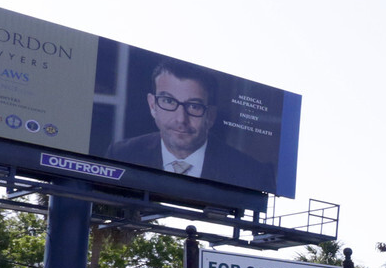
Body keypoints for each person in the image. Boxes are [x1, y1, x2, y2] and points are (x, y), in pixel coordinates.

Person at [109, 56, 273, 188]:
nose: (181, 119)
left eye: (194, 106)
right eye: (168, 101)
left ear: (211, 116)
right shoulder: (122, 154)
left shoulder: (252, 173)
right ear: (152, 105)